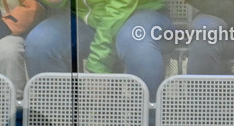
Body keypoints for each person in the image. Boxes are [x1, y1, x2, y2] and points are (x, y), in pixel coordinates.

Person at [24, 0, 173, 98]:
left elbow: (119, 10)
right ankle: (58, 123)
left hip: (139, 12)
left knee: (135, 41)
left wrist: (98, 66)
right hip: (84, 18)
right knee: (40, 43)